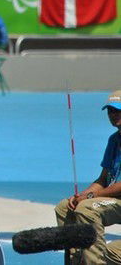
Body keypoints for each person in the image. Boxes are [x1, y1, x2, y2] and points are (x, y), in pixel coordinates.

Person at [54, 90, 121, 265]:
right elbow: (103, 179)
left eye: (118, 110)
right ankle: (76, 261)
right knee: (65, 207)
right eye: (110, 111)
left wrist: (91, 197)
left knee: (87, 208)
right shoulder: (114, 140)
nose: (114, 115)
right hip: (115, 200)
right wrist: (80, 196)